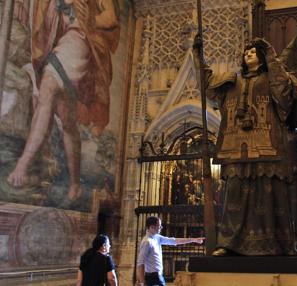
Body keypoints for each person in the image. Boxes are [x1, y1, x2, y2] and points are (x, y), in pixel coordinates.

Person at [201, 38, 297, 256]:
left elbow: (284, 93)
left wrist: (271, 53)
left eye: (254, 51)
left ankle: (279, 242)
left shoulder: (272, 77)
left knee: (271, 192)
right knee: (235, 194)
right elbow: (209, 87)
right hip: (236, 142)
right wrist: (198, 56)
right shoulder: (232, 79)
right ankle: (228, 243)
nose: (249, 53)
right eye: (246, 51)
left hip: (267, 140)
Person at [7, 0, 120, 201]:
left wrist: (89, 20)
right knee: (68, 121)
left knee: (48, 87)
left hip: (79, 41)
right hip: (61, 41)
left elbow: (110, 18)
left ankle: (22, 167)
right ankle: (75, 184)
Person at [136, 216, 204, 286]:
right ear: (152, 227)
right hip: (152, 277)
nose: (161, 228)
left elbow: (174, 241)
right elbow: (140, 263)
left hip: (159, 275)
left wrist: (193, 240)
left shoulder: (157, 237)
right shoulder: (147, 242)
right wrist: (142, 282)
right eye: (159, 226)